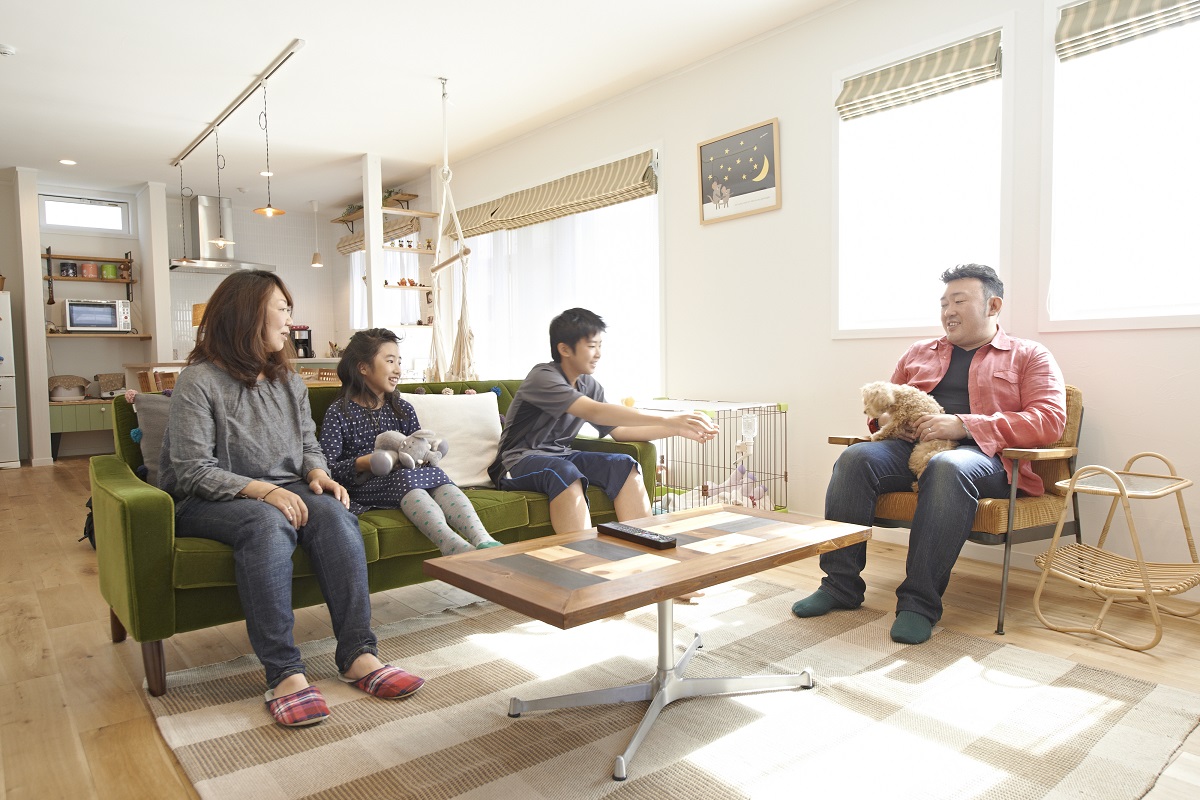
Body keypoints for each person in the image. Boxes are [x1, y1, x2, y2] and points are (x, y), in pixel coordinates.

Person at [159, 271, 424, 729]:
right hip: (212, 496)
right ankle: (284, 673)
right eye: (282, 309)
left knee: (337, 517)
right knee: (266, 523)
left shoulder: (287, 380)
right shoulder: (198, 381)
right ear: (247, 314)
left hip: (286, 487)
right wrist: (266, 491)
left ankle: (358, 655)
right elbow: (193, 470)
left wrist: (319, 474)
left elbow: (307, 445)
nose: (289, 321)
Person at [792, 264, 1066, 645]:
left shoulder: (1030, 355)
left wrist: (964, 425)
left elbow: (1049, 420)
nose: (948, 311)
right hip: (910, 447)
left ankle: (918, 604)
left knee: (946, 465)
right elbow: (882, 407)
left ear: (993, 306)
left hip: (984, 457)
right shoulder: (919, 353)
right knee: (855, 460)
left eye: (959, 301)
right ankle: (839, 586)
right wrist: (892, 421)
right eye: (943, 304)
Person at [489, 308, 719, 536]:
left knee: (624, 465)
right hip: (516, 462)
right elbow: (595, 412)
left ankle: (647, 544)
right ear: (564, 349)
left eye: (600, 345)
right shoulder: (543, 378)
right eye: (591, 346)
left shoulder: (589, 385)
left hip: (560, 455)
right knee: (564, 472)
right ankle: (583, 554)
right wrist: (667, 419)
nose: (598, 353)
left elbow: (620, 431)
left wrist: (676, 428)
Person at [319, 328, 501, 555]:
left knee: (435, 474)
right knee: (406, 479)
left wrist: (427, 453)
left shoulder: (402, 408)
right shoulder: (339, 412)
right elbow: (326, 469)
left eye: (399, 361)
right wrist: (365, 462)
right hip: (363, 487)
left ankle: (483, 539)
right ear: (363, 367)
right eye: (390, 361)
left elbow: (418, 449)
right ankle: (453, 545)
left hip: (404, 478)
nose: (398, 369)